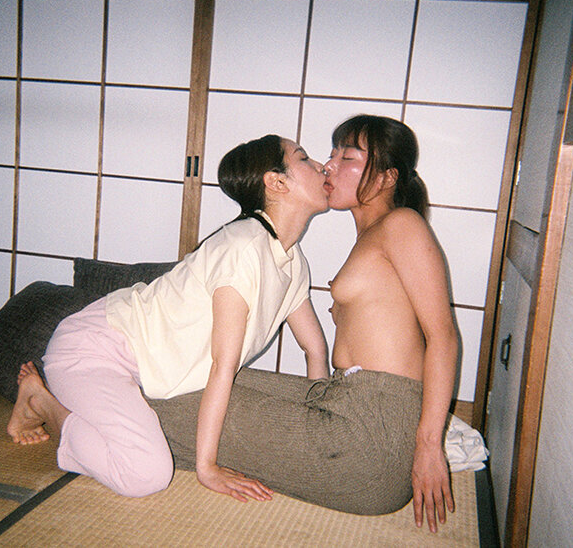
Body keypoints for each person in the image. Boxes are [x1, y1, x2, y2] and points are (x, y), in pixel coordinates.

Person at [146, 115, 458, 532]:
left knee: (166, 402)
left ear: (387, 177)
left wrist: (429, 447)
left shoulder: (402, 225)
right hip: (347, 402)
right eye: (331, 154)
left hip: (369, 444)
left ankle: (72, 413)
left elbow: (443, 337)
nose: (329, 165)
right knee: (193, 379)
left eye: (347, 157)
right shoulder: (373, 234)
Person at [7, 134, 330, 502]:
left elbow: (315, 349)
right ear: (276, 182)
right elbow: (223, 365)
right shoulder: (243, 248)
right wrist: (207, 468)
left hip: (132, 363)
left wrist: (318, 431)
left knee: (143, 460)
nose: (321, 166)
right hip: (93, 348)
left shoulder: (291, 259)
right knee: (146, 474)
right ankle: (41, 403)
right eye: (304, 158)